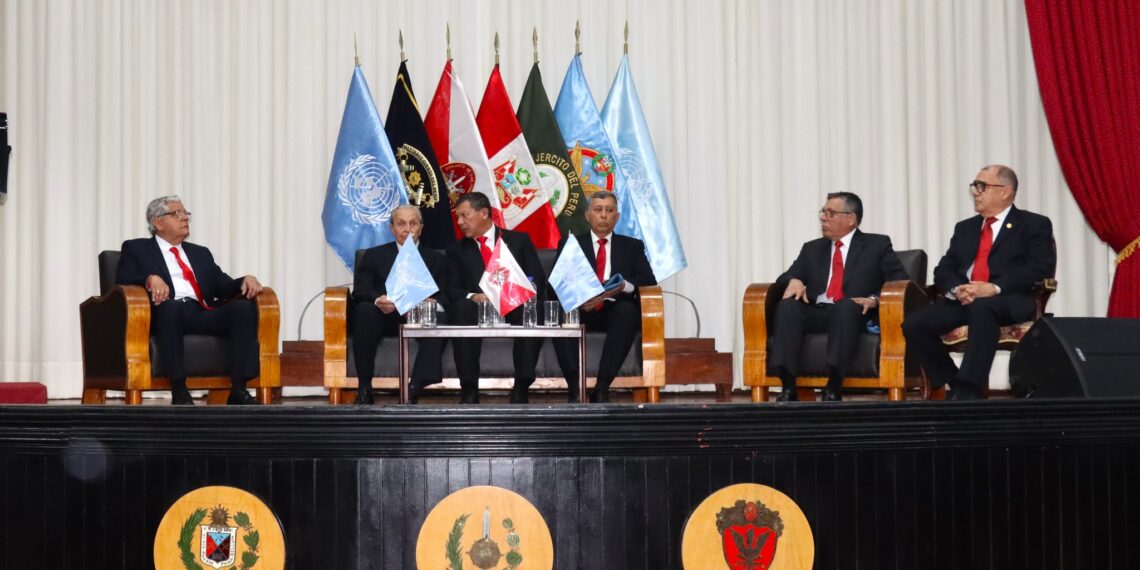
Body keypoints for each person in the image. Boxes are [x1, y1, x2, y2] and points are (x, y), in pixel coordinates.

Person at [903, 165, 1055, 400]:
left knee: (982, 308)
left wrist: (993, 288)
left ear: (1005, 191)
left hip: (1009, 299)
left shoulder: (1033, 224)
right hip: (965, 300)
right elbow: (944, 269)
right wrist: (958, 289)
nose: (975, 192)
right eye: (974, 186)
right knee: (914, 324)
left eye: (982, 186)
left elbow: (1039, 267)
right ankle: (958, 383)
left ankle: (967, 392)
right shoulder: (966, 228)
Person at [115, 196, 264, 405]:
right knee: (171, 308)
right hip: (165, 314)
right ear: (158, 222)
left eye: (185, 213)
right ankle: (179, 390)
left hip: (200, 311)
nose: (184, 217)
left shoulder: (200, 253)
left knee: (243, 309)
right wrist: (149, 279)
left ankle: (238, 389)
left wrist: (245, 280)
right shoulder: (136, 248)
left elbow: (222, 285)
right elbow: (123, 278)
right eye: (176, 214)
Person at [768, 192, 909, 402]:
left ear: (850, 218)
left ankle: (834, 384)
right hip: (819, 312)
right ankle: (788, 386)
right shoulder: (812, 248)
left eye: (830, 213)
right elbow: (785, 277)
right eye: (823, 212)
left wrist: (874, 300)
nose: (823, 218)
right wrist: (794, 279)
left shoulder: (877, 245)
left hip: (854, 313)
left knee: (844, 306)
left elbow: (900, 281)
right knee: (788, 306)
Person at [553, 192, 657, 402]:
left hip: (614, 309)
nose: (603, 215)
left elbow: (648, 280)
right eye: (598, 210)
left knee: (627, 311)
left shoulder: (632, 246)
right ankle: (575, 389)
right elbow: (555, 283)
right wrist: (579, 299)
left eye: (609, 210)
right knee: (562, 312)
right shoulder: (572, 244)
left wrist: (623, 286)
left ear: (617, 217)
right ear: (587, 215)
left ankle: (602, 388)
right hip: (581, 308)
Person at [445, 193, 547, 404]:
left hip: (514, 303)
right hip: (476, 308)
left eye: (465, 215)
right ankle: (469, 389)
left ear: (484, 213)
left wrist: (513, 293)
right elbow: (451, 289)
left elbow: (537, 280)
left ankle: (521, 387)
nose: (460, 222)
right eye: (457, 217)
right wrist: (474, 296)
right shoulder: (456, 249)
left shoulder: (518, 241)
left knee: (533, 308)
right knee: (461, 308)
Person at [351, 205, 447, 405]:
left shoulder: (437, 259)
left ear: (421, 228)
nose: (407, 229)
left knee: (440, 316)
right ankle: (364, 387)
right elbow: (361, 290)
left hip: (421, 315)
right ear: (392, 228)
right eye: (401, 224)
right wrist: (379, 300)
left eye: (413, 223)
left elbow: (447, 294)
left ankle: (414, 387)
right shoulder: (374, 255)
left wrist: (432, 302)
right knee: (364, 310)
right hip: (386, 314)